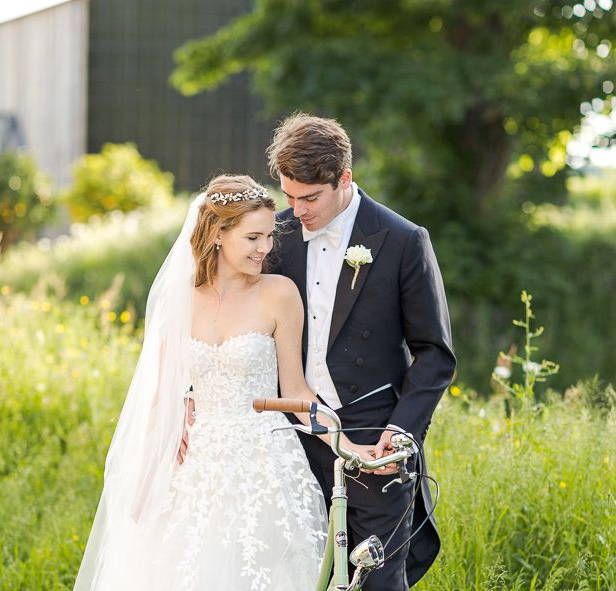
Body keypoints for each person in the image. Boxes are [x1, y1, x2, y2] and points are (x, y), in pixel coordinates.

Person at [73, 174, 374, 591]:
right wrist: (146, 482)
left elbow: (298, 393)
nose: (265, 248)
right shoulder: (179, 300)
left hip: (266, 466)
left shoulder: (279, 294)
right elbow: (162, 398)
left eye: (269, 237)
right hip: (196, 466)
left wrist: (350, 446)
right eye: (253, 238)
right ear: (218, 233)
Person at [267, 114, 457, 590]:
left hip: (374, 444)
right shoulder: (274, 235)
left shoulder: (403, 240)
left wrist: (400, 433)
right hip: (289, 439)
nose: (298, 210)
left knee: (375, 581)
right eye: (289, 196)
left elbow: (434, 355)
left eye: (310, 198)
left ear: (344, 179)